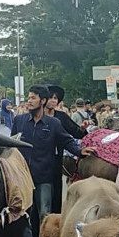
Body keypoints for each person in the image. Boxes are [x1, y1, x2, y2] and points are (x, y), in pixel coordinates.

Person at [11, 85, 95, 237]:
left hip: (45, 175)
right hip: (23, 176)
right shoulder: (19, 121)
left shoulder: (54, 123)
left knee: (45, 212)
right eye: (29, 97)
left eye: (33, 98)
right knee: (24, 211)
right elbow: (12, 145)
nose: (29, 100)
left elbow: (66, 141)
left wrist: (81, 151)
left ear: (42, 101)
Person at [45, 84, 86, 215]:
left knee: (56, 191)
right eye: (50, 97)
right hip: (37, 159)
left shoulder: (61, 117)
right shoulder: (35, 116)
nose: (53, 101)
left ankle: (55, 221)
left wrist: (83, 129)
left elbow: (75, 133)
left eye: (55, 98)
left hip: (57, 158)